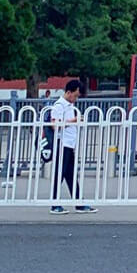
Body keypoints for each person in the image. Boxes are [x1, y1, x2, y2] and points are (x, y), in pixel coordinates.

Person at [49, 79, 95, 214]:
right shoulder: (59, 105)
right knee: (60, 174)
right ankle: (54, 203)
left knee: (70, 174)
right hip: (61, 143)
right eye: (75, 95)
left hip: (69, 144)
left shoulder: (70, 106)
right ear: (68, 92)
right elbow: (54, 124)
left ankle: (78, 202)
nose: (76, 99)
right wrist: (73, 121)